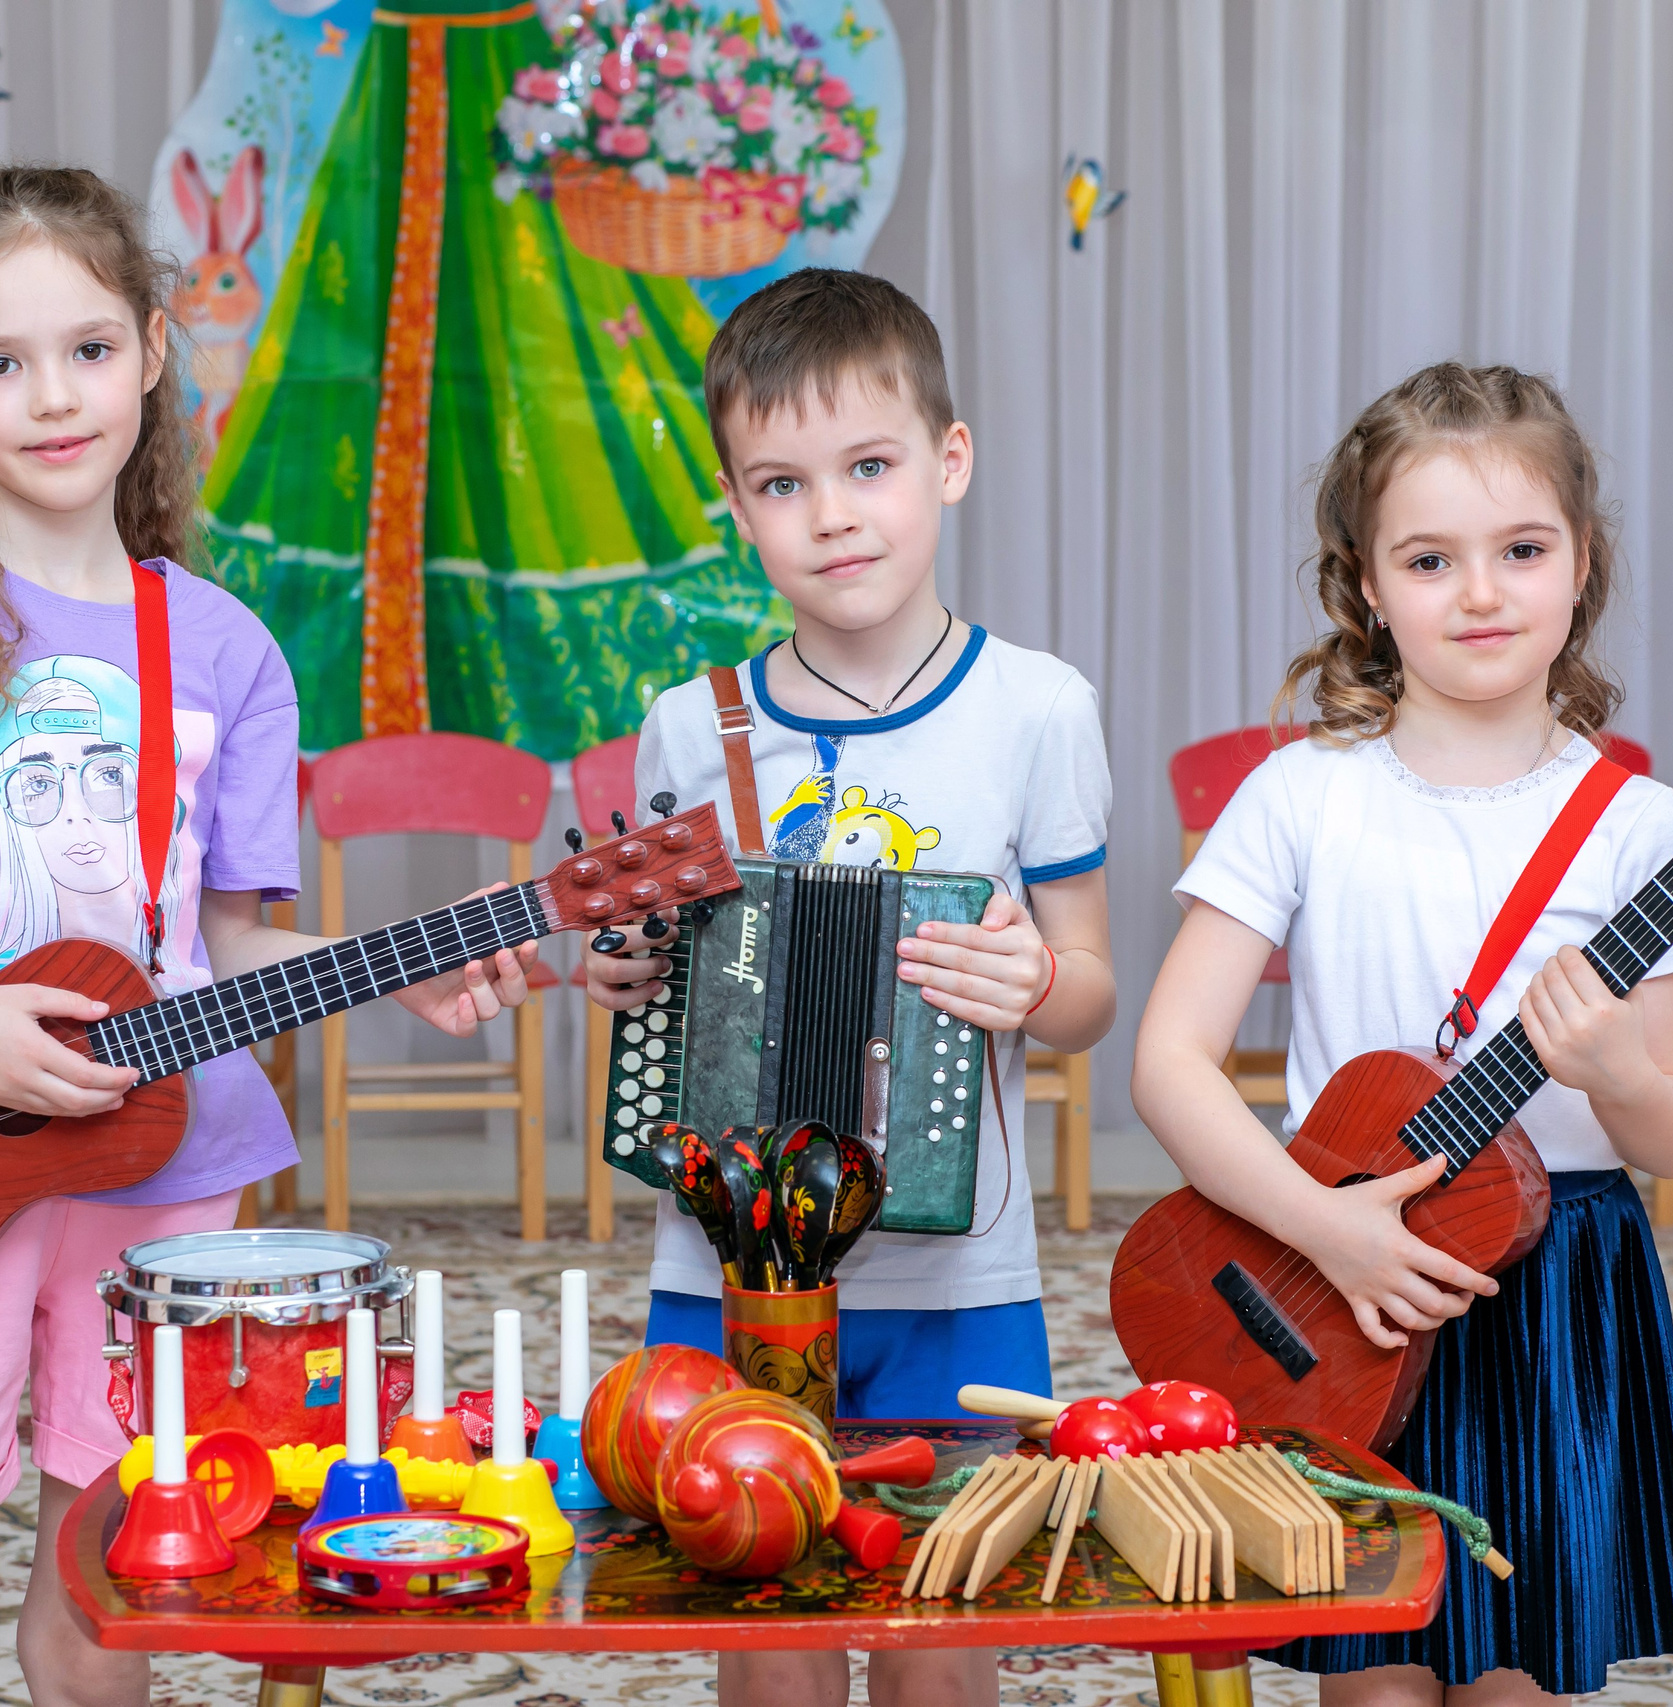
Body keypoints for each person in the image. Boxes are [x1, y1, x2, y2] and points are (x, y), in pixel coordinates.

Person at [0, 166, 535, 1707]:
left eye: (90, 349)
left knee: (110, 1601)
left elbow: (233, 951)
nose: (53, 398)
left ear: (152, 350)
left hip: (175, 1181)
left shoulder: (230, 649)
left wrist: (406, 963)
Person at [1133, 362, 1673, 1705]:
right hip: (1335, 1275)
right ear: (1367, 585)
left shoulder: (1640, 828)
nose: (1480, 591)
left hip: (1554, 1280)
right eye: (1430, 557)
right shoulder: (1302, 795)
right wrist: (1322, 1226)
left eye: (1522, 549)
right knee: (1374, 1677)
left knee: (1514, 1676)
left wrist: (1622, 1071)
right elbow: (1169, 1065)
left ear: (1583, 565)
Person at [583, 268, 1118, 1707]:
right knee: (764, 1623)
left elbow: (1093, 999)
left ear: (948, 463)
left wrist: (1036, 979)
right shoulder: (690, 728)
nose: (832, 513)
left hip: (958, 1272)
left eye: (869, 467)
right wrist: (623, 971)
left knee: (940, 1627)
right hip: (726, 1267)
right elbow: (663, 988)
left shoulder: (1037, 709)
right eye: (781, 482)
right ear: (738, 508)